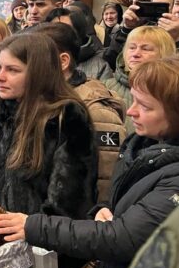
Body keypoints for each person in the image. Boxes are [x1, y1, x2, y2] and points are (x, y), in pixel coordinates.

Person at [0, 56, 179, 268]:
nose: (131, 111)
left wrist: (34, 226)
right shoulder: (142, 145)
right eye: (133, 100)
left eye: (145, 106)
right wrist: (103, 209)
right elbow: (124, 206)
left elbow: (122, 238)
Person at [0, 33, 98, 219]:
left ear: (39, 73)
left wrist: (29, 230)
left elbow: (68, 203)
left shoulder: (66, 118)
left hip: (35, 240)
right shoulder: (3, 109)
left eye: (12, 70)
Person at [32, 23, 127, 202]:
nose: (26, 64)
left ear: (63, 61)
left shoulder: (94, 109)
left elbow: (105, 178)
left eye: (34, 57)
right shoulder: (42, 98)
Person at [104, 26, 175, 134]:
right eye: (132, 47)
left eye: (145, 49)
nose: (136, 54)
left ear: (164, 53)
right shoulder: (104, 87)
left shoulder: (172, 90)